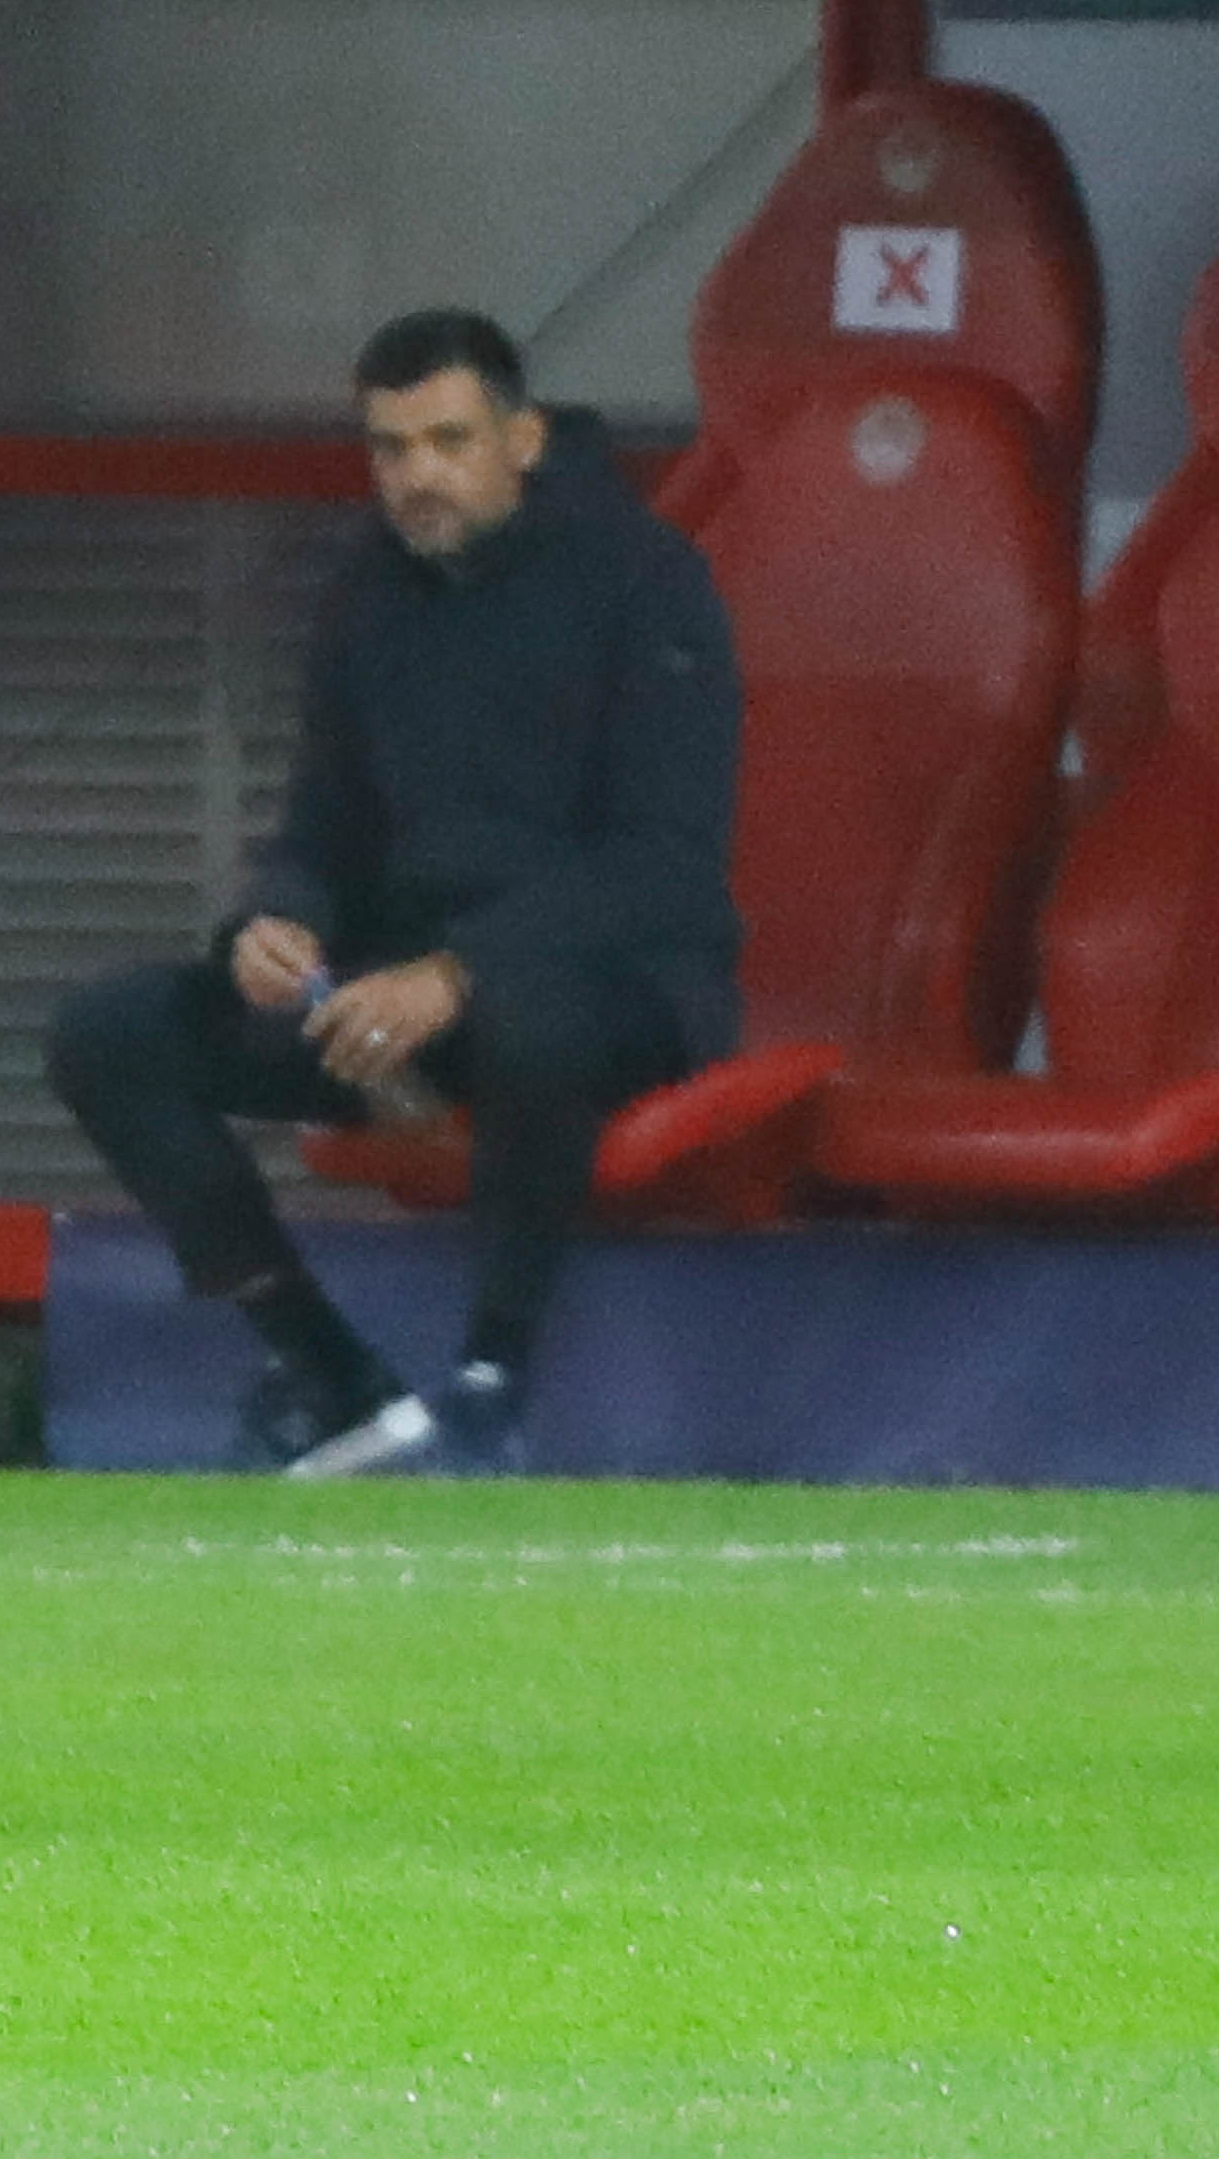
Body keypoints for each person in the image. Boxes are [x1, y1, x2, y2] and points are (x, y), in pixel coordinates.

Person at [42, 308, 741, 1478]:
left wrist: (459, 972)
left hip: (614, 986)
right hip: (393, 994)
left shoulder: (646, 578)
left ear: (521, 439)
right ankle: (323, 1368)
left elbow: (662, 864)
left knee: (532, 1014)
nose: (417, 475)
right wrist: (275, 921)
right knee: (109, 1031)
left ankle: (489, 1381)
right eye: (389, 447)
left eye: (448, 440)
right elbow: (320, 822)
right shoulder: (365, 593)